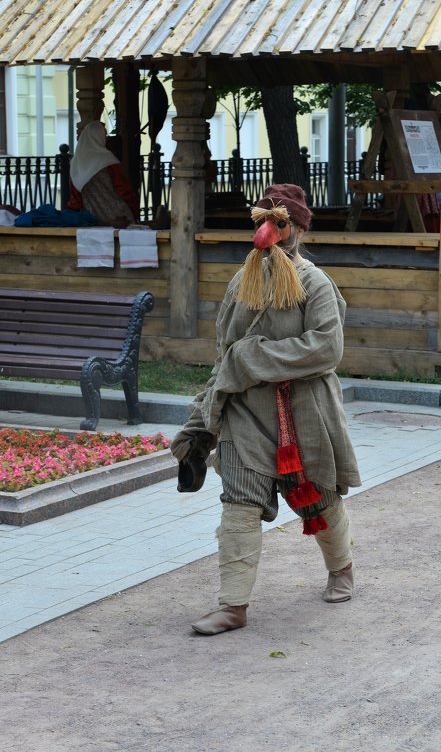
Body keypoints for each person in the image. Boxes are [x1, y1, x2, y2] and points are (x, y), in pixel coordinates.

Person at [171, 184, 361, 635]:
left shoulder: (315, 283)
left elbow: (327, 349)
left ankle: (342, 570)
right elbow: (225, 353)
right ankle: (233, 606)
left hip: (305, 411)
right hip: (246, 412)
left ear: (295, 229)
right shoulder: (242, 280)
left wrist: (255, 357)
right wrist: (203, 415)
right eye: (261, 222)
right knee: (238, 502)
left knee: (319, 498)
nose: (268, 232)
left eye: (279, 223)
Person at [67, 121, 139, 227]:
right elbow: (124, 191)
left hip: (93, 222)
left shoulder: (76, 163)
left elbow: (75, 201)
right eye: (104, 135)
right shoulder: (109, 160)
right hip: (120, 220)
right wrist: (135, 212)